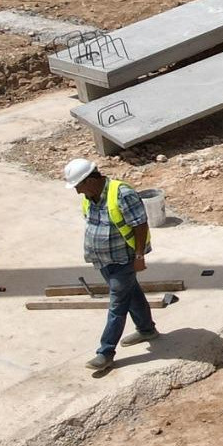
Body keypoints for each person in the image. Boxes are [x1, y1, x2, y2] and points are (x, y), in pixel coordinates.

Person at [64, 157, 156, 370]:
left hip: (123, 259)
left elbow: (140, 224)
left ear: (89, 180)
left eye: (78, 186)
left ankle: (105, 352)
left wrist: (139, 257)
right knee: (131, 293)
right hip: (102, 259)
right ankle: (146, 329)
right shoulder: (90, 196)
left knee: (117, 304)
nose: (77, 192)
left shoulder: (122, 194)